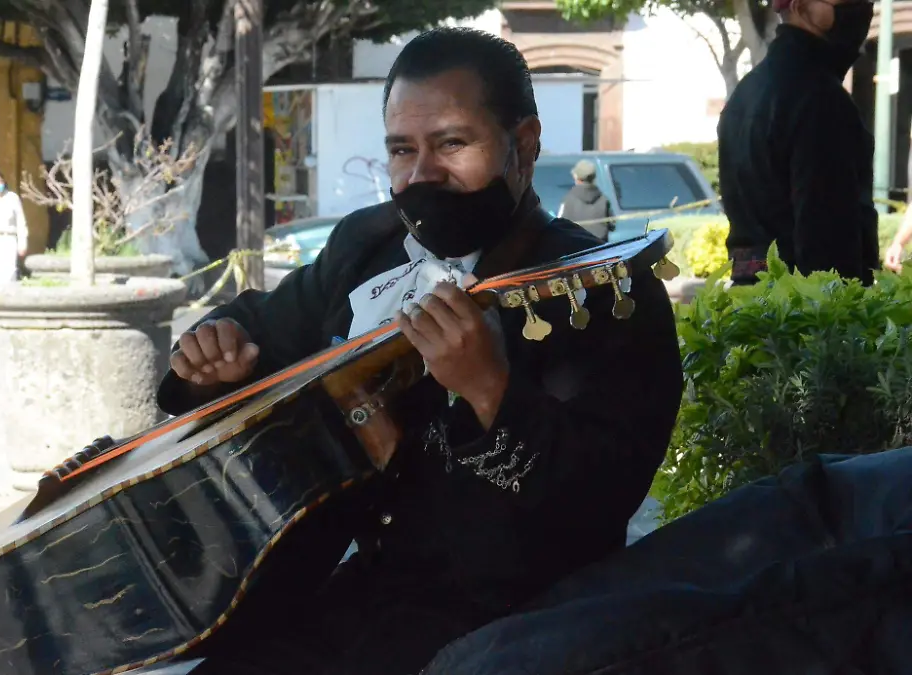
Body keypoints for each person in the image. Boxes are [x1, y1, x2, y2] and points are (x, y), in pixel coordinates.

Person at [156, 28, 684, 675]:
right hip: (366, 593)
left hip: (527, 624)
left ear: (524, 145)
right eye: (402, 149)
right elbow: (261, 322)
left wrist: (492, 391)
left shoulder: (607, 289)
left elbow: (601, 499)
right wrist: (215, 355)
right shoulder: (367, 246)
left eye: (452, 143)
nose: (422, 173)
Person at [717, 0, 878, 285]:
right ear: (801, 7)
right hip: (806, 317)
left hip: (751, 305)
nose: (863, 7)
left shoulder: (747, 92)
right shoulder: (820, 99)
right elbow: (829, 250)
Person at [557, 159, 615, 242]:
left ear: (576, 177)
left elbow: (560, 226)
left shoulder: (568, 200)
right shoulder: (604, 199)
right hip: (600, 248)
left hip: (577, 249)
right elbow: (612, 225)